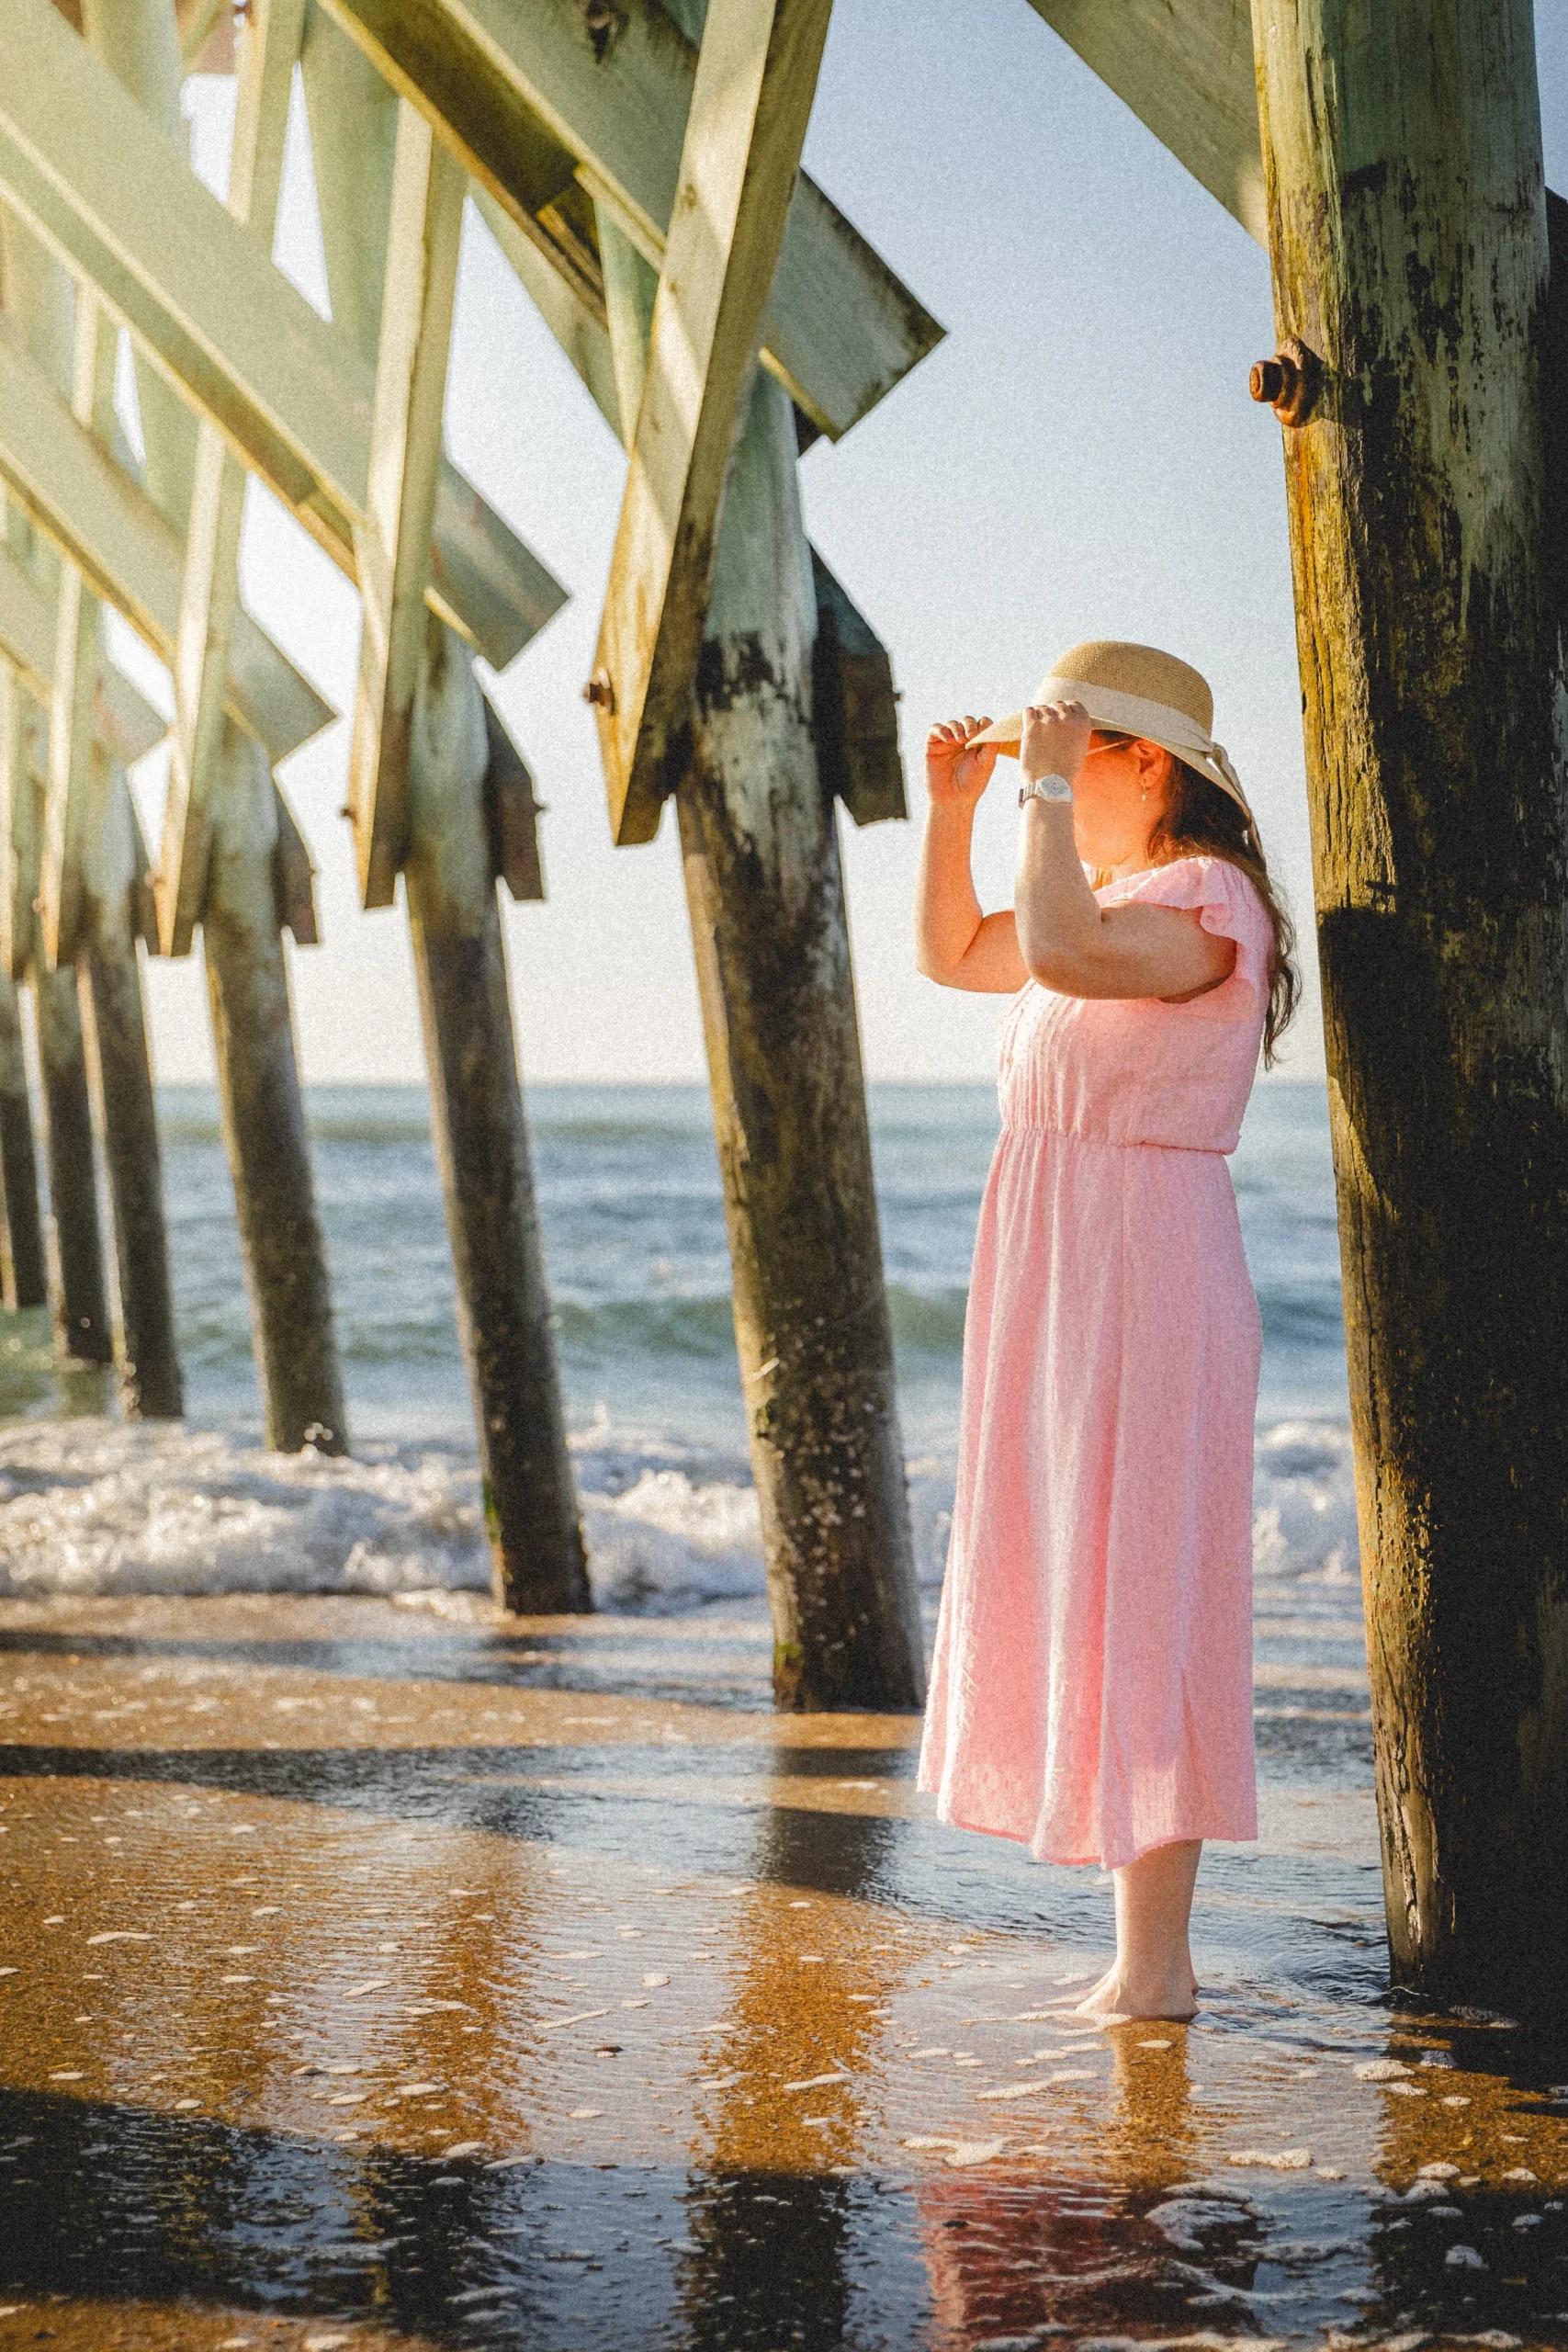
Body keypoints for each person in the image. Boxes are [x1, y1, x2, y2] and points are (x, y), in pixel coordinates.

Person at [913, 639, 1300, 2024]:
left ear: (1145, 765)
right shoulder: (1113, 888)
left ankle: (1155, 1965)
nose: (1050, 782)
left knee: (1146, 1580)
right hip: (1055, 1258)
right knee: (1075, 1567)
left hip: (1142, 1259)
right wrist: (960, 806)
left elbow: (1065, 953)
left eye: (1070, 758)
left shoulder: (1204, 898)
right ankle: (1143, 1957)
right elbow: (960, 953)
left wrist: (1033, 799)